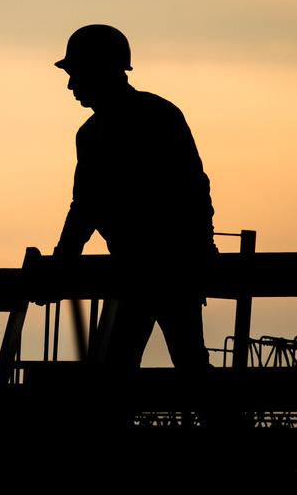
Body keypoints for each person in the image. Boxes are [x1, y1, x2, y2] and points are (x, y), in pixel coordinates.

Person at [52, 24, 217, 374]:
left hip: (167, 267)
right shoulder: (96, 132)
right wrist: (62, 260)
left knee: (151, 364)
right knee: (147, 364)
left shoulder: (152, 118)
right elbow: (86, 205)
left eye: (77, 74)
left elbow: (190, 189)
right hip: (148, 268)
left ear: (102, 71)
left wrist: (61, 262)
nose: (70, 85)